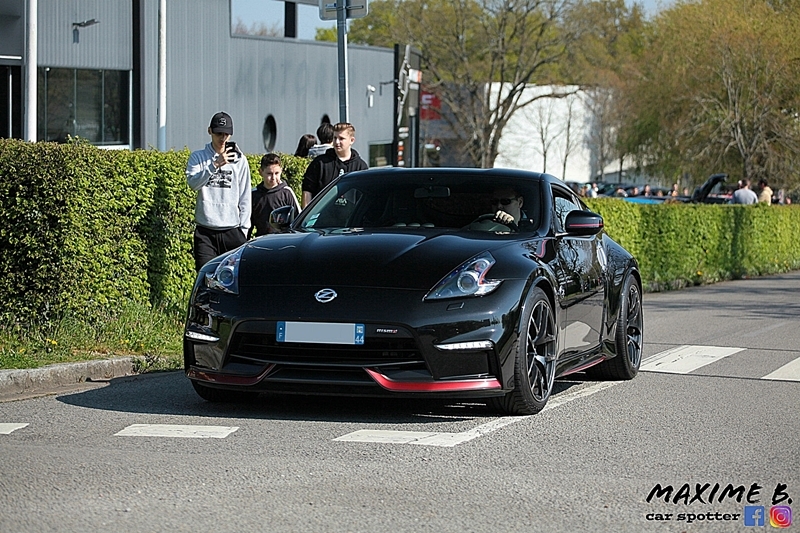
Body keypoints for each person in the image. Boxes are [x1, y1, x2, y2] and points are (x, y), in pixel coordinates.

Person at [186, 111, 252, 271]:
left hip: (232, 229)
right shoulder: (198, 157)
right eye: (218, 134)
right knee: (206, 274)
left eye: (226, 134)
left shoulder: (240, 160)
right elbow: (193, 184)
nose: (222, 138)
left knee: (235, 276)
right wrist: (215, 165)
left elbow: (245, 196)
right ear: (210, 131)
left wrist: (243, 230)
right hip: (205, 231)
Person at [302, 122, 368, 207]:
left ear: (352, 140)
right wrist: (306, 214)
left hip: (351, 215)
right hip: (323, 214)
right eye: (335, 138)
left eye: (341, 138)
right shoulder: (320, 163)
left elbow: (365, 196)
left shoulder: (361, 167)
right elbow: (307, 190)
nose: (337, 142)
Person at [249, 153, 301, 237]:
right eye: (269, 173)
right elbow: (248, 223)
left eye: (277, 173)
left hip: (284, 239)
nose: (273, 177)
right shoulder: (253, 194)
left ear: (281, 171)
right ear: (261, 172)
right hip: (261, 240)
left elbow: (298, 219)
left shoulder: (286, 192)